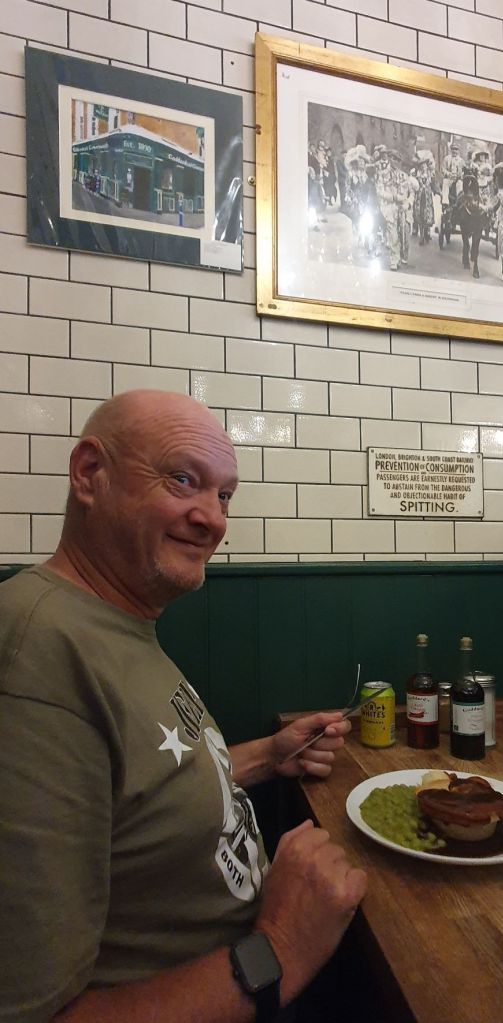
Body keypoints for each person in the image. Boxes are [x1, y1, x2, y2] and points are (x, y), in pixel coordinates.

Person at [0, 389, 367, 1023]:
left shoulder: (112, 620)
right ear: (90, 473)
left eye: (224, 496)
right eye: (182, 479)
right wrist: (282, 946)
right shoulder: (38, 654)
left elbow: (139, 788)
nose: (213, 519)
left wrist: (266, 756)